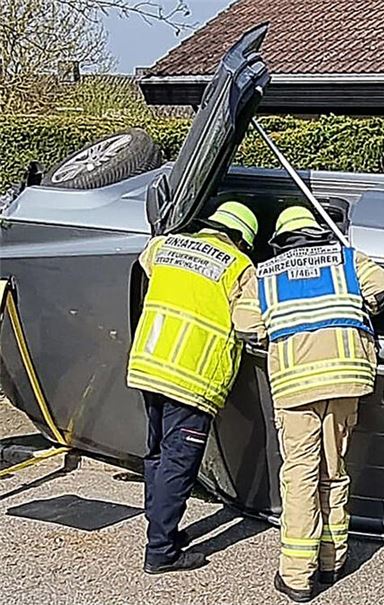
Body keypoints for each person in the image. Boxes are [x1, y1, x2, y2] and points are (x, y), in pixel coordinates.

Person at [235, 206, 384, 602]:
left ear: (281, 240)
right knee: (335, 470)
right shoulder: (347, 259)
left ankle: (296, 577)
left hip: (296, 385)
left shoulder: (264, 274)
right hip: (347, 378)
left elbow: (245, 326)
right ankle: (332, 561)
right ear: (317, 233)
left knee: (300, 476)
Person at [126, 201, 260, 574]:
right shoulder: (239, 267)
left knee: (155, 453)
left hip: (149, 364)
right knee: (178, 462)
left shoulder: (166, 245)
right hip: (192, 376)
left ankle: (161, 528)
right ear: (242, 239)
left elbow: (145, 262)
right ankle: (161, 551)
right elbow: (250, 323)